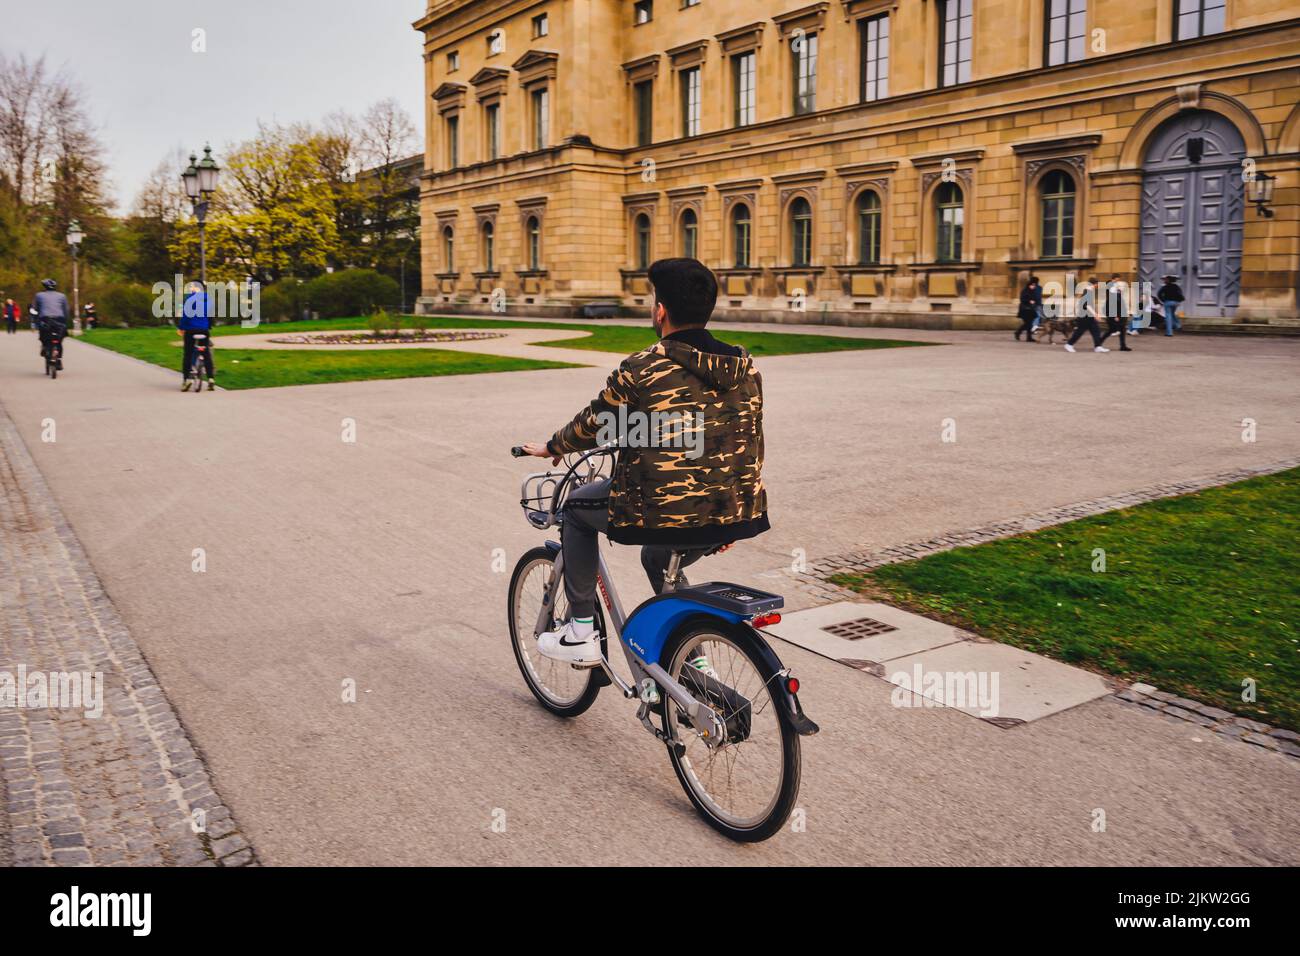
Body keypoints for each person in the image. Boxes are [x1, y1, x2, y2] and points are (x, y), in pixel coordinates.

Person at [519, 258, 770, 665]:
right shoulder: (744, 366)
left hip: (665, 509)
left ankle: (580, 631)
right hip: (736, 509)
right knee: (657, 556)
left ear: (661, 311)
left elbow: (597, 424)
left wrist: (554, 447)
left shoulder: (643, 367)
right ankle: (692, 660)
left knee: (576, 509)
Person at [178, 281, 215, 390]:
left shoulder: (190, 299)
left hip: (190, 330)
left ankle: (186, 380)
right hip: (204, 330)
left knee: (188, 354)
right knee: (206, 353)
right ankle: (211, 379)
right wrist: (208, 327)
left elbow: (186, 316)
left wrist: (181, 328)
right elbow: (211, 316)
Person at [30, 279, 70, 369]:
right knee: (59, 339)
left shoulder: (39, 295)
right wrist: (66, 321)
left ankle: (45, 347)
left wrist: (33, 322)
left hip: (45, 319)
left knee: (44, 336)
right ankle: (58, 358)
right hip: (59, 320)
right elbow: (66, 310)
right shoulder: (62, 296)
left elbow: (33, 309)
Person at [1064, 276, 1108, 353]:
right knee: (1080, 331)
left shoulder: (1089, 291)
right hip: (1085, 316)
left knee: (1096, 330)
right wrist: (1095, 314)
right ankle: (1069, 344)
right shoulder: (1088, 291)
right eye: (1097, 284)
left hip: (1088, 316)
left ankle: (1098, 346)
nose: (1098, 286)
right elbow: (1086, 305)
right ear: (1095, 284)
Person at [1098, 274, 1133, 352]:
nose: (1118, 282)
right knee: (1111, 330)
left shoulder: (1117, 291)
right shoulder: (1110, 290)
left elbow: (1120, 302)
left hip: (1120, 313)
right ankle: (1098, 343)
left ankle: (1123, 346)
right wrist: (1115, 315)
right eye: (1117, 280)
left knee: (1122, 329)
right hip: (1114, 313)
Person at [1014, 276, 1040, 342]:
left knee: (1029, 324)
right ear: (1029, 284)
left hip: (1030, 309)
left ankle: (1027, 337)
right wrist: (1029, 301)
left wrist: (1035, 302)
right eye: (1032, 285)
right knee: (1028, 323)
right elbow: (1022, 299)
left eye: (1034, 285)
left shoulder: (1033, 291)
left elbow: (1036, 299)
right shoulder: (1025, 291)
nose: (1033, 286)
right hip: (1025, 309)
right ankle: (1019, 332)